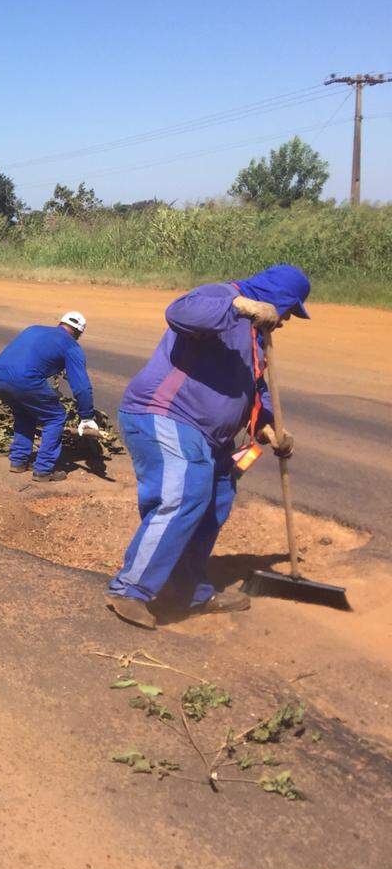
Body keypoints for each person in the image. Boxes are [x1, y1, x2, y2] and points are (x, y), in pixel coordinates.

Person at [106, 264, 310, 630]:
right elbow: (179, 313)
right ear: (276, 298)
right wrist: (242, 306)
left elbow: (257, 393)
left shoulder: (257, 340)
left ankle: (187, 591)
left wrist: (270, 430)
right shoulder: (219, 296)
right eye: (289, 310)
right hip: (166, 416)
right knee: (184, 496)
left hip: (212, 438)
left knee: (215, 502)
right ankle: (130, 590)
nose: (286, 320)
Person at [0, 312, 97, 481]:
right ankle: (43, 469)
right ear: (79, 333)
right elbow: (82, 387)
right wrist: (86, 416)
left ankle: (18, 461)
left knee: (24, 412)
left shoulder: (33, 329)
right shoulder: (71, 346)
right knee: (55, 417)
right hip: (24, 379)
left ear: (60, 323)